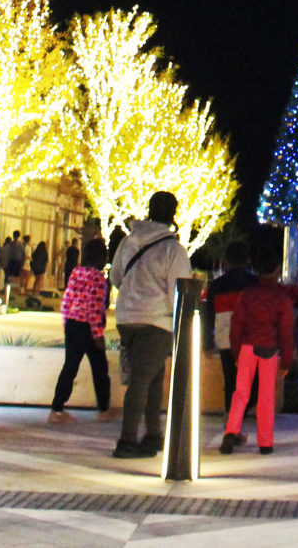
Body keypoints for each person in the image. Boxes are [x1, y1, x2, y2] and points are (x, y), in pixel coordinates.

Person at [108, 191, 193, 460]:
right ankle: (127, 440)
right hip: (156, 320)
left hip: (127, 318)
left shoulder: (129, 240)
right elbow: (179, 289)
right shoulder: (173, 249)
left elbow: (116, 277)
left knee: (152, 377)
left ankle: (153, 435)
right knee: (142, 380)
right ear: (173, 214)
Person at [219, 242, 294, 456]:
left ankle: (230, 432)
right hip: (269, 350)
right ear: (277, 270)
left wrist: (236, 352)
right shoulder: (282, 298)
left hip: (247, 349)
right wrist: (287, 361)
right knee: (266, 396)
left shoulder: (247, 294)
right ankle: (265, 442)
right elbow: (286, 333)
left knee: (240, 393)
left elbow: (236, 325)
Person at [48, 236, 114, 423]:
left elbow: (66, 301)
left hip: (72, 324)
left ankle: (57, 409)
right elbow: (95, 308)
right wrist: (97, 334)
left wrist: (66, 325)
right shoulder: (99, 279)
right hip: (89, 327)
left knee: (70, 366)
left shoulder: (76, 273)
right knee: (100, 368)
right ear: (100, 257)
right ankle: (103, 409)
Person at [205, 240, 258, 400]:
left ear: (226, 261)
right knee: (252, 381)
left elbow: (208, 317)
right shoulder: (256, 284)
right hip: (251, 340)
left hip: (225, 339)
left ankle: (231, 414)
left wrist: (207, 344)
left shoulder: (216, 286)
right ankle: (246, 408)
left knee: (230, 381)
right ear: (248, 260)